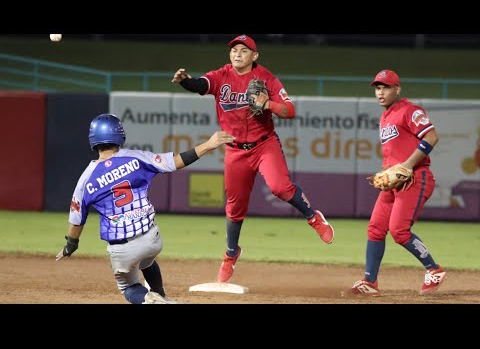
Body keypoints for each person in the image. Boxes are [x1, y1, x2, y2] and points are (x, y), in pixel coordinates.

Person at [171, 34, 335, 283]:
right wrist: (186, 82)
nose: (237, 54)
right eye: (234, 50)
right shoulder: (221, 75)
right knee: (235, 210)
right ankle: (230, 255)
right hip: (235, 150)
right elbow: (201, 85)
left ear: (254, 56)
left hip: (264, 144)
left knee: (280, 188)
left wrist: (268, 103)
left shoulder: (266, 78)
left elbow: (290, 111)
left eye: (244, 50)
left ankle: (314, 217)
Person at [56, 113, 235, 304]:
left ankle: (151, 299)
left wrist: (71, 245)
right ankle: (162, 297)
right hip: (151, 238)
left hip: (122, 248)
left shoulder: (86, 179)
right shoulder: (136, 158)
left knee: (129, 287)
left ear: (93, 140)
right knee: (147, 261)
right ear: (120, 135)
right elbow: (176, 162)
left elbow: (77, 219)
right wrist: (208, 144)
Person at [351, 70, 447, 296]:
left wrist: (407, 165)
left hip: (416, 177)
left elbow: (431, 137)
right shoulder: (385, 116)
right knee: (375, 228)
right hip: (396, 181)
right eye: (377, 88)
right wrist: (389, 171)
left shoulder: (409, 110)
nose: (381, 92)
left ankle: (434, 270)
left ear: (397, 89)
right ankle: (370, 282)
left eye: (386, 87)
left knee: (399, 231)